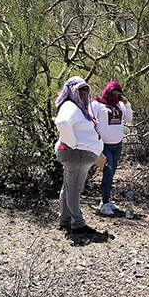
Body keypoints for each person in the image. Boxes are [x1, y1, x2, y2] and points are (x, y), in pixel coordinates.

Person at [54, 76, 103, 234]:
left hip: (78, 155)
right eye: (79, 89)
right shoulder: (70, 106)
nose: (83, 92)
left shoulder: (78, 107)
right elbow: (62, 122)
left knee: (68, 188)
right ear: (70, 91)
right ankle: (78, 224)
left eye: (85, 89)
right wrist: (73, 143)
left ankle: (65, 221)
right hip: (77, 154)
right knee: (74, 190)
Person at [91, 81, 133, 216]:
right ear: (108, 91)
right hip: (104, 145)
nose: (116, 95)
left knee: (112, 173)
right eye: (114, 92)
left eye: (119, 92)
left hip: (118, 144)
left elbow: (129, 118)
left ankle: (107, 200)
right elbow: (90, 121)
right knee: (107, 172)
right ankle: (103, 204)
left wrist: (127, 104)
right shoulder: (97, 104)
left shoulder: (120, 105)